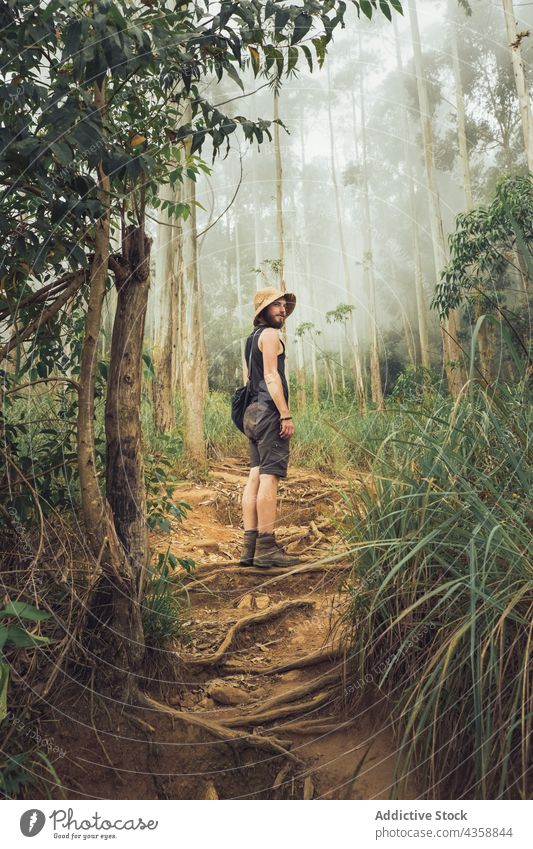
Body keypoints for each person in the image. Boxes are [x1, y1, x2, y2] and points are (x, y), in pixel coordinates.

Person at [239, 287, 301, 569]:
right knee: (269, 478)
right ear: (263, 311)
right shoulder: (271, 335)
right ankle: (266, 546)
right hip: (268, 412)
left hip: (251, 412)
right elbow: (271, 376)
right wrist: (285, 415)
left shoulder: (251, 339)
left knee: (254, 476)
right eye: (275, 305)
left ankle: (249, 548)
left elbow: (249, 377)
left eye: (283, 305)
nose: (282, 309)